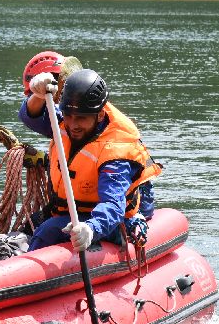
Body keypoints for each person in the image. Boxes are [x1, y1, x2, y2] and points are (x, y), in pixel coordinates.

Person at [25, 68, 160, 253]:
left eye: (81, 118)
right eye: (69, 116)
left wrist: (90, 229)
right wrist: (38, 95)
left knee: (47, 231)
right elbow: (31, 116)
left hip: (112, 221)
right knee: (32, 223)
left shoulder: (115, 153)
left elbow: (113, 206)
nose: (73, 125)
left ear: (100, 116)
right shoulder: (66, 121)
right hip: (71, 212)